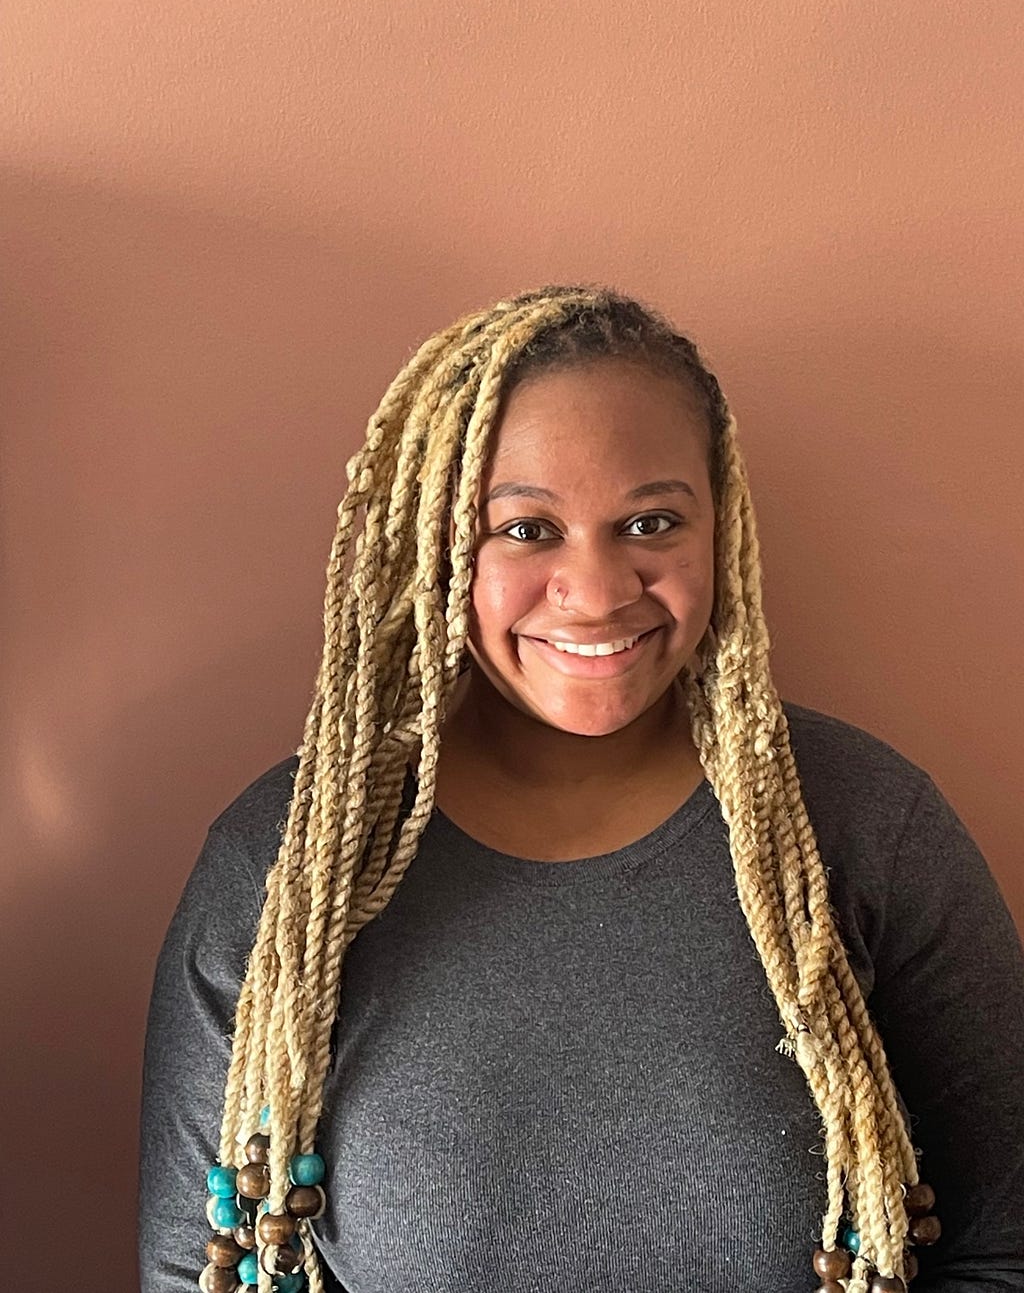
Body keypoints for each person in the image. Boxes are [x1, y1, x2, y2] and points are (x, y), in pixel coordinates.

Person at [139, 286, 1024, 1293]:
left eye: (650, 522)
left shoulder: (866, 828)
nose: (597, 591)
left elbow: (1003, 1246)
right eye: (525, 530)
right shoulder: (285, 873)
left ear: (720, 529)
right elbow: (195, 1268)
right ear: (435, 544)